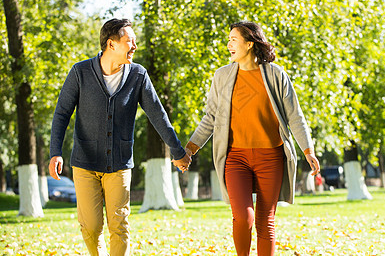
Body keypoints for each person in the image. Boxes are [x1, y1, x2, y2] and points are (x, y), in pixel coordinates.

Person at [173, 21, 320, 256]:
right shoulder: (221, 76)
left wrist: (308, 150)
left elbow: (295, 116)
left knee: (266, 221)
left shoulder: (275, 74)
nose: (228, 44)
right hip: (235, 157)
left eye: (234, 39)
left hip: (270, 156)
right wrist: (190, 149)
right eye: (229, 39)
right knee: (243, 216)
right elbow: (210, 118)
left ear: (250, 43)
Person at [49, 18, 191, 256]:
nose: (134, 46)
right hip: (85, 163)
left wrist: (177, 151)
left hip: (119, 163)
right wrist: (55, 152)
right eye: (129, 41)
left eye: (135, 41)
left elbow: (157, 114)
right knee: (91, 227)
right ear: (111, 44)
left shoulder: (138, 75)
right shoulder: (80, 72)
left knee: (119, 225)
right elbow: (62, 113)